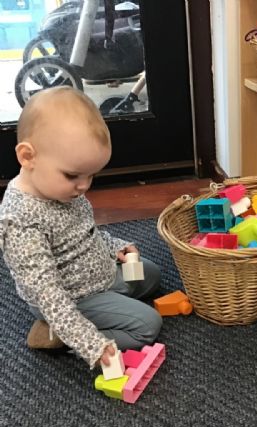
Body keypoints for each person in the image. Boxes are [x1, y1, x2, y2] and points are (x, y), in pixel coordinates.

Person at [0, 87, 163, 369]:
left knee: (151, 275)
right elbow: (49, 296)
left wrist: (115, 247)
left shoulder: (61, 189)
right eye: (73, 175)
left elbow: (85, 232)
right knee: (147, 325)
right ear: (27, 157)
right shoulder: (20, 222)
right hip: (71, 298)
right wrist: (92, 344)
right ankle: (59, 336)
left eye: (91, 175)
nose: (84, 186)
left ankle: (107, 306)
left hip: (96, 273)